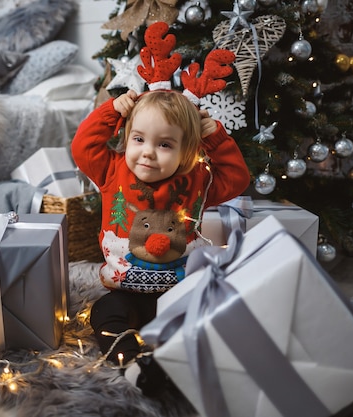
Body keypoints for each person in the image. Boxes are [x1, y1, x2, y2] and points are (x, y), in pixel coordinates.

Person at [71, 83, 250, 394]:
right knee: (103, 312)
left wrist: (216, 139)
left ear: (187, 151)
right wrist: (111, 112)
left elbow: (237, 178)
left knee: (202, 318)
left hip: (177, 291)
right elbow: (83, 146)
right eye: (138, 139)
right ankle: (130, 361)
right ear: (126, 137)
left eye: (165, 145)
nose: (148, 153)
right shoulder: (112, 171)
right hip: (125, 289)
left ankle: (175, 363)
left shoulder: (197, 180)